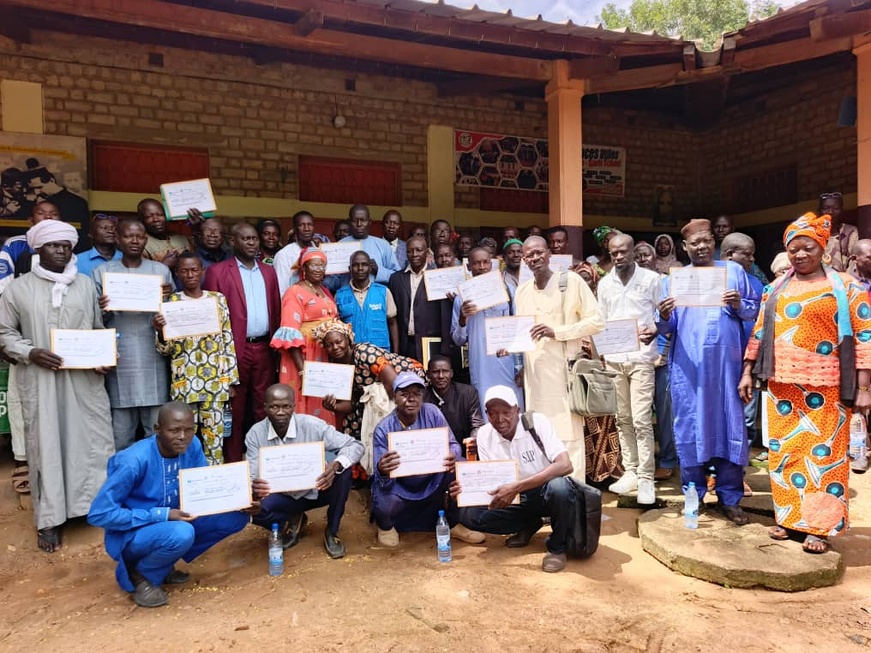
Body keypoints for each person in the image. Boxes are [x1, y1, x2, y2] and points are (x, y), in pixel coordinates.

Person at [740, 213, 871, 553]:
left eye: (807, 248)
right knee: (786, 452)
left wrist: (864, 388)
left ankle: (819, 527)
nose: (800, 255)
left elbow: (864, 338)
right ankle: (789, 519)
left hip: (827, 389)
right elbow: (758, 333)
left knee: (824, 456)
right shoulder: (774, 288)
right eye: (793, 248)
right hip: (782, 385)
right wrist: (747, 371)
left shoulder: (847, 287)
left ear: (822, 248)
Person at [0, 220, 114, 552]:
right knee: (46, 443)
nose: (61, 251)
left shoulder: (84, 285)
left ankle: (92, 507)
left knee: (90, 441)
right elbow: (4, 333)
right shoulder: (18, 288)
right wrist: (30, 352)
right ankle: (50, 519)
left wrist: (103, 356)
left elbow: (96, 328)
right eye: (53, 245)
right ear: (38, 248)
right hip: (41, 379)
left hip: (83, 381)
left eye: (66, 245)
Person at [87, 402, 249, 608]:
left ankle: (162, 564)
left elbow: (203, 489)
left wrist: (242, 499)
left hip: (175, 521)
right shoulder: (133, 461)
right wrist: (162, 515)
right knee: (182, 533)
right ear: (157, 429)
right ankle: (137, 575)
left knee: (236, 516)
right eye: (174, 430)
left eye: (189, 429)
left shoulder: (193, 445)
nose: (182, 436)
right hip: (131, 534)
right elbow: (100, 514)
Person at [657, 218, 759, 525]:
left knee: (730, 429)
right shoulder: (674, 280)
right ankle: (693, 496)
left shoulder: (734, 272)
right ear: (684, 247)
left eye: (706, 241)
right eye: (695, 243)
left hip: (727, 369)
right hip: (690, 372)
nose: (701, 247)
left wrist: (740, 304)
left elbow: (754, 312)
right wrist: (663, 315)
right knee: (691, 429)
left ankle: (730, 498)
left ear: (714, 243)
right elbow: (667, 328)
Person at [454, 385, 575, 573]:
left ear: (517, 410)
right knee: (469, 515)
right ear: (486, 414)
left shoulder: (537, 422)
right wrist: (466, 490)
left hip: (544, 491)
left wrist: (517, 487)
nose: (500, 419)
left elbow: (565, 465)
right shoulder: (485, 434)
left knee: (559, 488)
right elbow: (490, 481)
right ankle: (530, 523)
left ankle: (557, 548)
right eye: (493, 413)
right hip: (514, 498)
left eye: (506, 412)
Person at [516, 237, 605, 481]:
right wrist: (508, 348)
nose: (535, 258)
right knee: (539, 435)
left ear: (549, 254)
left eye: (539, 252)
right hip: (535, 378)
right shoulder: (522, 291)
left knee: (569, 437)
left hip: (564, 375)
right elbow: (520, 333)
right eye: (529, 255)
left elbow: (597, 321)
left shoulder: (571, 282)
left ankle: (574, 495)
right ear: (524, 260)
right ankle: (548, 495)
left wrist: (558, 332)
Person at [247, 384, 364, 558]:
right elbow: (253, 476)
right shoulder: (255, 434)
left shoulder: (312, 425)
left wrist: (336, 465)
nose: (280, 412)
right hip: (283, 496)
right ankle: (290, 521)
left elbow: (355, 445)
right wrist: (255, 491)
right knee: (251, 507)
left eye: (286, 406)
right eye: (274, 407)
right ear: (265, 407)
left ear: (294, 406)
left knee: (343, 472)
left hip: (318, 490)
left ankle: (332, 531)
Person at [371, 372, 484, 547]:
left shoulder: (432, 412)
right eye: (404, 394)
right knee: (381, 490)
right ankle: (386, 526)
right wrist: (382, 469)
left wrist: (453, 454)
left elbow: (453, 444)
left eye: (416, 394)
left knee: (460, 467)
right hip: (401, 485)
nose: (411, 399)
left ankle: (453, 523)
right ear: (394, 397)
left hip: (432, 478)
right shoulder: (383, 428)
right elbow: (380, 475)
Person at [203, 221, 281, 462]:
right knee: (234, 409)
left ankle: (262, 460)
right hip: (233, 350)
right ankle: (234, 461)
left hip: (264, 347)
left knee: (263, 406)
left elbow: (276, 308)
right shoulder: (217, 271)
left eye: (254, 239)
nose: (251, 243)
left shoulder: (268, 271)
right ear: (233, 241)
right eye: (246, 239)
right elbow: (210, 316)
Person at [94, 219, 173, 452]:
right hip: (120, 358)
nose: (135, 241)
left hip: (153, 357)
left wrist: (166, 305)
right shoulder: (103, 272)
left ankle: (155, 473)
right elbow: (92, 320)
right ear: (118, 239)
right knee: (121, 435)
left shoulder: (160, 271)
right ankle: (122, 474)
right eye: (129, 236)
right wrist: (102, 308)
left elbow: (174, 317)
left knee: (156, 432)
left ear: (146, 240)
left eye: (139, 236)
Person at [0, 200, 62, 495]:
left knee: (59, 401)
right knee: (19, 399)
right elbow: (3, 291)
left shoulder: (67, 249)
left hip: (60, 338)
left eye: (53, 214)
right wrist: (7, 340)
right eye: (42, 213)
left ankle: (55, 460)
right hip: (22, 336)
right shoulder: (15, 246)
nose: (47, 218)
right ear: (30, 219)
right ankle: (22, 457)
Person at [153, 252, 237, 465]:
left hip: (216, 382)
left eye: (194, 270)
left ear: (202, 271)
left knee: (214, 441)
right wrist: (160, 331)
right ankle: (185, 479)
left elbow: (227, 339)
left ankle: (214, 480)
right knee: (183, 438)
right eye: (184, 271)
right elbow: (165, 350)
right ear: (177, 273)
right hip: (185, 382)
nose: (190, 275)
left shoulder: (217, 300)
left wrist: (231, 380)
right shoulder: (171, 302)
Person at [597, 234, 660, 504]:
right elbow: (601, 320)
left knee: (641, 420)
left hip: (641, 358)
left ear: (634, 251)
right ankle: (631, 471)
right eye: (614, 253)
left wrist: (655, 329)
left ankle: (646, 477)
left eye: (624, 252)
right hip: (614, 358)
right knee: (622, 418)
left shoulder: (651, 279)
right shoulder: (604, 284)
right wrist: (602, 351)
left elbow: (662, 315)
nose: (619, 257)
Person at [315, 318, 424, 444]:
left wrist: (395, 419)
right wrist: (333, 406)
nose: (335, 347)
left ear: (348, 339)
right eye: (329, 345)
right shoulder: (336, 367)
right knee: (351, 429)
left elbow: (394, 383)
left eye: (338, 342)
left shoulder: (364, 353)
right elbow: (352, 404)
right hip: (374, 399)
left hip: (405, 388)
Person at [451, 247, 524, 415]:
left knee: (513, 410)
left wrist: (521, 366)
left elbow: (519, 329)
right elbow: (458, 340)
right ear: (468, 267)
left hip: (507, 364)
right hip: (480, 366)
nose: (482, 267)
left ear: (492, 265)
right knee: (486, 411)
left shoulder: (509, 290)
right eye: (477, 263)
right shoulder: (461, 298)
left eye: (485, 262)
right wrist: (462, 318)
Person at [270, 248, 338, 426]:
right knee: (303, 397)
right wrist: (303, 370)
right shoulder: (294, 292)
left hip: (323, 355)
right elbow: (290, 331)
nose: (319, 269)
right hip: (302, 356)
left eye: (322, 266)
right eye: (314, 265)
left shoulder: (324, 290)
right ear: (304, 268)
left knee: (323, 400)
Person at [572, 261, 624, 483]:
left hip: (603, 369)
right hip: (578, 373)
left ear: (594, 280)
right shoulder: (570, 304)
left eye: (587, 278)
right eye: (579, 279)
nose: (584, 282)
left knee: (606, 418)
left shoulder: (601, 303)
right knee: (583, 422)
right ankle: (587, 471)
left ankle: (607, 469)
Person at [721, 232, 765, 456]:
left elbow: (760, 316)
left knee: (746, 411)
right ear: (730, 254)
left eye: (753, 254)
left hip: (748, 356)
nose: (752, 259)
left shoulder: (756, 283)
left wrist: (741, 304)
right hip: (720, 359)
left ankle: (740, 462)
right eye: (747, 254)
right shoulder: (709, 279)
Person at [388, 236, 451, 360]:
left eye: (418, 250)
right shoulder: (396, 279)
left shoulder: (437, 277)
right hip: (404, 344)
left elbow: (444, 316)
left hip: (430, 343)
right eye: (410, 251)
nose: (414, 254)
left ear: (426, 252)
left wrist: (444, 348)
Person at [336, 251, 398, 351]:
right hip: (352, 353)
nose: (360, 268)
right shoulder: (340, 295)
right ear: (350, 269)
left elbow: (392, 323)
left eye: (364, 264)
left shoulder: (383, 292)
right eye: (356, 265)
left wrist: (395, 353)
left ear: (370, 268)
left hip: (380, 353)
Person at [424, 356, 484, 452]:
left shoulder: (468, 393)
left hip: (464, 450)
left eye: (445, 371)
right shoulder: (422, 397)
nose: (441, 376)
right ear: (428, 375)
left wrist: (473, 439)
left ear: (451, 373)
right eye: (435, 372)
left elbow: (477, 424)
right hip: (432, 451)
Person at [0, 200, 61, 293]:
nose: (48, 216)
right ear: (31, 221)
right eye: (41, 213)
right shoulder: (15, 244)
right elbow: (3, 282)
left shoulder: (66, 245)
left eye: (54, 214)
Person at [339, 205, 400, 285]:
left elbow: (398, 277)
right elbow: (333, 280)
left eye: (363, 220)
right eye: (354, 220)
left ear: (370, 221)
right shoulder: (340, 245)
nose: (359, 224)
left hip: (377, 292)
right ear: (349, 221)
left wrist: (378, 270)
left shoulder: (383, 245)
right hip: (347, 292)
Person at [138, 198, 190, 273]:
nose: (156, 219)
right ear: (141, 220)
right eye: (149, 216)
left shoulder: (181, 238)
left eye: (160, 214)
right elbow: (142, 276)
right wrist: (165, 265)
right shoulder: (141, 245)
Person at [274, 210, 319, 296]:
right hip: (295, 301)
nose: (306, 229)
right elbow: (281, 289)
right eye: (301, 225)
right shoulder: (284, 255)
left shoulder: (319, 252)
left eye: (310, 224)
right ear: (294, 229)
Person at [820, 192, 858, 275]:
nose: (830, 212)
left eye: (836, 208)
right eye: (826, 208)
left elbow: (854, 262)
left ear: (842, 211)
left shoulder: (850, 231)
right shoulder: (813, 233)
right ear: (820, 211)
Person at [76, 213, 122, 277]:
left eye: (114, 229)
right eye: (104, 228)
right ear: (91, 234)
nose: (111, 231)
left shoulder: (125, 258)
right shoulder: (78, 260)